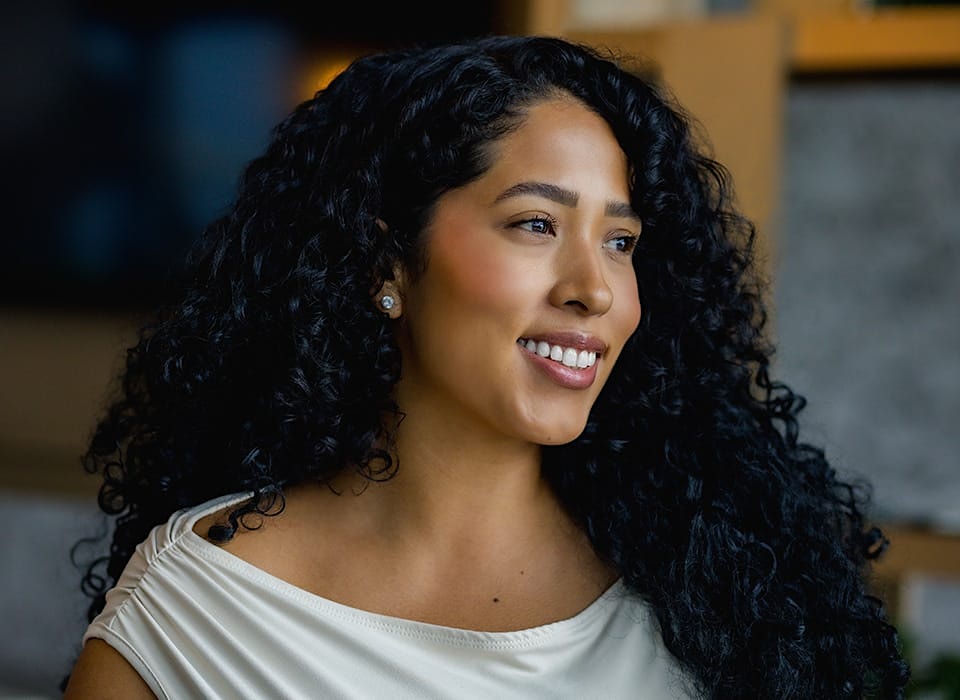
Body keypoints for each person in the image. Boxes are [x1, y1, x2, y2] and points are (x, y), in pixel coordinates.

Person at [63, 34, 908, 698]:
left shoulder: (711, 597)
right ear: (386, 265)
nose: (595, 291)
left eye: (620, 243)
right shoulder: (198, 612)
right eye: (536, 224)